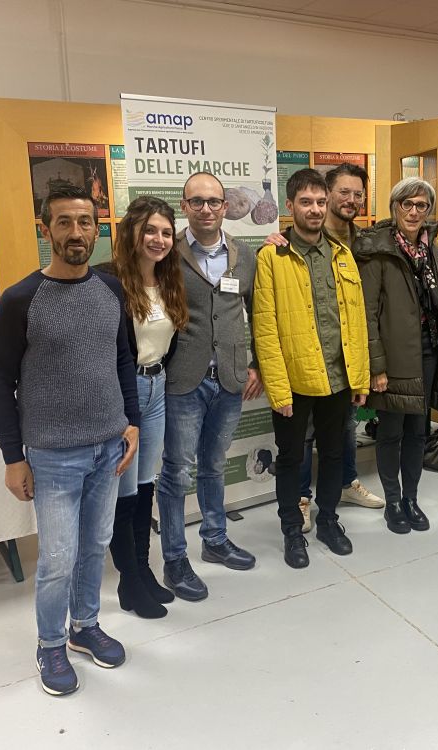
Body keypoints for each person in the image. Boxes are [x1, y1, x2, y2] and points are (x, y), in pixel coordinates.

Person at [0, 185, 139, 696]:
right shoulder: (21, 298)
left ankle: (83, 626)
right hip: (53, 453)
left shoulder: (112, 289)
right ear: (44, 228)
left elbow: (122, 359)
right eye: (65, 222)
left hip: (108, 447)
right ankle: (50, 643)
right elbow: (0, 380)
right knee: (56, 556)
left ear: (99, 228)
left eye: (86, 222)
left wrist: (131, 420)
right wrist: (12, 456)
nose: (77, 232)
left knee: (95, 544)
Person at [253, 168, 370, 568]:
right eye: (306, 202)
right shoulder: (273, 255)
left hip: (339, 376)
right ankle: (291, 530)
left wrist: (360, 376)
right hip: (296, 379)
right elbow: (265, 328)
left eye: (321, 202)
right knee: (290, 457)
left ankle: (330, 522)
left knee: (334, 454)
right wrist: (278, 389)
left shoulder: (341, 253)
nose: (316, 209)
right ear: (290, 206)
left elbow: (356, 319)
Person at [156, 172, 262, 602]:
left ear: (226, 207)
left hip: (231, 380)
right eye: (196, 202)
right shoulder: (166, 254)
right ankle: (175, 559)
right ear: (184, 206)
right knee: (176, 472)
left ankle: (215, 540)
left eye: (214, 202)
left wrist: (253, 363)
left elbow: (255, 312)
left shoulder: (245, 256)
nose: (206, 209)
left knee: (214, 466)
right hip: (184, 379)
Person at [354, 177, 438, 534]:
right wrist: (376, 366)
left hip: (427, 355)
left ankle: (412, 499)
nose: (414, 212)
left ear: (429, 211)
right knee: (391, 432)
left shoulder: (433, 252)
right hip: (392, 359)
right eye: (406, 204)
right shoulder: (377, 250)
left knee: (418, 431)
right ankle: (393, 502)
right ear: (395, 207)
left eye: (421, 205)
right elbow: (367, 313)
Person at [104, 197, 187, 619]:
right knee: (124, 492)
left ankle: (144, 571)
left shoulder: (169, 280)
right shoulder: (108, 282)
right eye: (150, 230)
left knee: (145, 486)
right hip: (124, 392)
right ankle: (129, 579)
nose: (158, 239)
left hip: (157, 386)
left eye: (166, 232)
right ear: (132, 233)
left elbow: (167, 342)